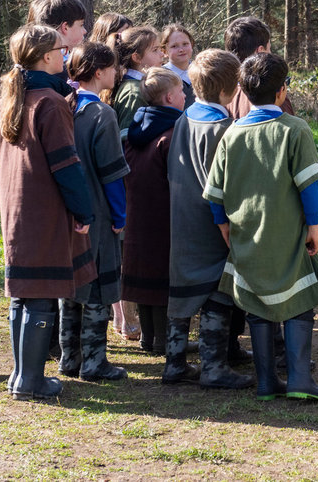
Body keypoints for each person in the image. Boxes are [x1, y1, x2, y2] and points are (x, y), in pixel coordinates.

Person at [205, 52, 318, 401]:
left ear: (242, 92)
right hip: (287, 235)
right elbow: (309, 185)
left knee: (256, 306)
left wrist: (223, 227)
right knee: (300, 302)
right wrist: (314, 227)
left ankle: (266, 382)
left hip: (245, 234)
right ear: (282, 90)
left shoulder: (231, 135)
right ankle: (299, 381)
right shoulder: (295, 129)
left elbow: (215, 193)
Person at [0, 24, 97, 400]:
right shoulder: (50, 103)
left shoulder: (12, 99)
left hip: (17, 210)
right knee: (39, 294)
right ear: (47, 57)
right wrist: (83, 211)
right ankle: (31, 381)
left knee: (24, 294)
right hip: (43, 211)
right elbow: (66, 166)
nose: (66, 55)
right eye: (61, 49)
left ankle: (21, 375)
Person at [162, 48, 252, 389]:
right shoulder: (225, 127)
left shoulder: (184, 117)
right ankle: (214, 367)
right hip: (213, 223)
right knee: (218, 290)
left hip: (181, 214)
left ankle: (174, 363)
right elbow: (225, 185)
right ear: (232, 89)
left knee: (183, 287)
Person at [62, 42, 131, 382]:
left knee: (73, 286)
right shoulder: (102, 114)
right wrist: (121, 217)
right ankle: (94, 362)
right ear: (100, 72)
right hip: (99, 213)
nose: (118, 73)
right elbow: (112, 175)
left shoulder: (64, 106)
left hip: (69, 214)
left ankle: (68, 357)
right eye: (114, 68)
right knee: (98, 285)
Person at [122, 66, 184, 356]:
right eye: (182, 91)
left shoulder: (136, 130)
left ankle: (149, 337)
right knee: (161, 278)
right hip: (164, 219)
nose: (185, 96)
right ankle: (162, 340)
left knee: (142, 274)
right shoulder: (171, 134)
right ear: (170, 97)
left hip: (136, 217)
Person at [107, 23, 161, 342]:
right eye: (156, 50)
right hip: (131, 184)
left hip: (135, 183)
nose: (162, 55)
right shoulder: (132, 91)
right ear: (139, 57)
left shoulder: (141, 85)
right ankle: (128, 323)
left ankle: (130, 321)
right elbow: (127, 142)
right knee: (129, 254)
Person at [222, 16, 296, 120]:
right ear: (260, 51)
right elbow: (290, 131)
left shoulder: (221, 92)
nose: (271, 54)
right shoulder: (272, 93)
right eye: (269, 49)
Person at [160, 22, 197, 106]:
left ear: (191, 45)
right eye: (174, 46)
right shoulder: (161, 77)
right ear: (164, 51)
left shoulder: (201, 71)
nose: (181, 49)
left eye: (185, 44)